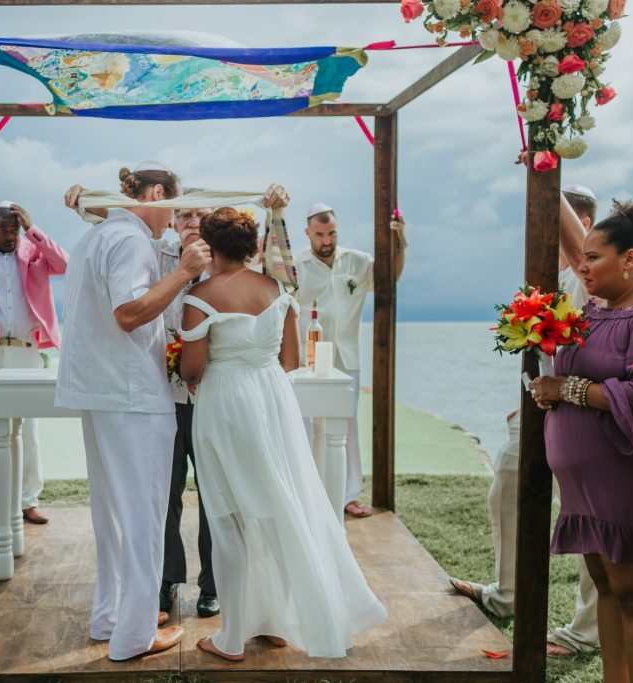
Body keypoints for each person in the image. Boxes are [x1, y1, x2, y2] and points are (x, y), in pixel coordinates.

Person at [63, 182, 291, 623]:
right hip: (162, 394)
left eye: (198, 218)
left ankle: (213, 585)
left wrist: (275, 214)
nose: (190, 224)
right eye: (183, 217)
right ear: (173, 219)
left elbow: (281, 278)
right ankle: (165, 582)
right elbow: (121, 227)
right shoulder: (158, 252)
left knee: (215, 494)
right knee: (162, 496)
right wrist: (85, 205)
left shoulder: (232, 270)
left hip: (212, 397)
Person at [179, 207, 386, 660]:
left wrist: (195, 368)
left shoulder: (198, 298)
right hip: (272, 398)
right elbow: (291, 359)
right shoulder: (278, 291)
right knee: (277, 508)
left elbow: (192, 368)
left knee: (229, 517)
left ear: (211, 249)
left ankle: (231, 637)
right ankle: (275, 621)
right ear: (251, 246)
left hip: (225, 401)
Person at [528, 199, 633, 683]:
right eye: (583, 257)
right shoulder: (596, 308)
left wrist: (568, 390)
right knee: (606, 587)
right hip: (589, 488)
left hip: (632, 483)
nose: (582, 265)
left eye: (594, 257)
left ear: (630, 259)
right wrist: (551, 392)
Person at [55, 163, 211, 661]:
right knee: (142, 515)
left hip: (100, 391)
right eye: (172, 208)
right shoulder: (130, 240)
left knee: (113, 517)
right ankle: (135, 636)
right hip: (130, 394)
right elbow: (128, 314)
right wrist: (185, 272)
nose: (171, 220)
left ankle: (109, 619)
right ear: (159, 194)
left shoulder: (99, 236)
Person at [449, 187, 602, 657]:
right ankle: (507, 595)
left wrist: (543, 165)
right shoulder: (545, 275)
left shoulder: (589, 271)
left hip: (587, 410)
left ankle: (585, 633)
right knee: (507, 490)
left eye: (552, 224)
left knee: (590, 517)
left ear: (582, 224)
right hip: (538, 405)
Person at [295, 203, 407, 518]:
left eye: (331, 233)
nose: (326, 240)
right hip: (309, 357)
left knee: (346, 425)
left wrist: (401, 242)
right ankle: (306, 492)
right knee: (303, 424)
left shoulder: (357, 262)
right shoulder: (297, 265)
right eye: (319, 235)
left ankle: (347, 495)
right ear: (308, 233)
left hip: (346, 356)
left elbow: (389, 278)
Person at [0, 201, 68, 527]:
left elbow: (62, 264)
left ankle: (28, 501)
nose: (10, 235)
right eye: (4, 229)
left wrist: (33, 229)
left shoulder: (32, 249)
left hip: (27, 349)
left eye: (15, 229)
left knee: (28, 429)